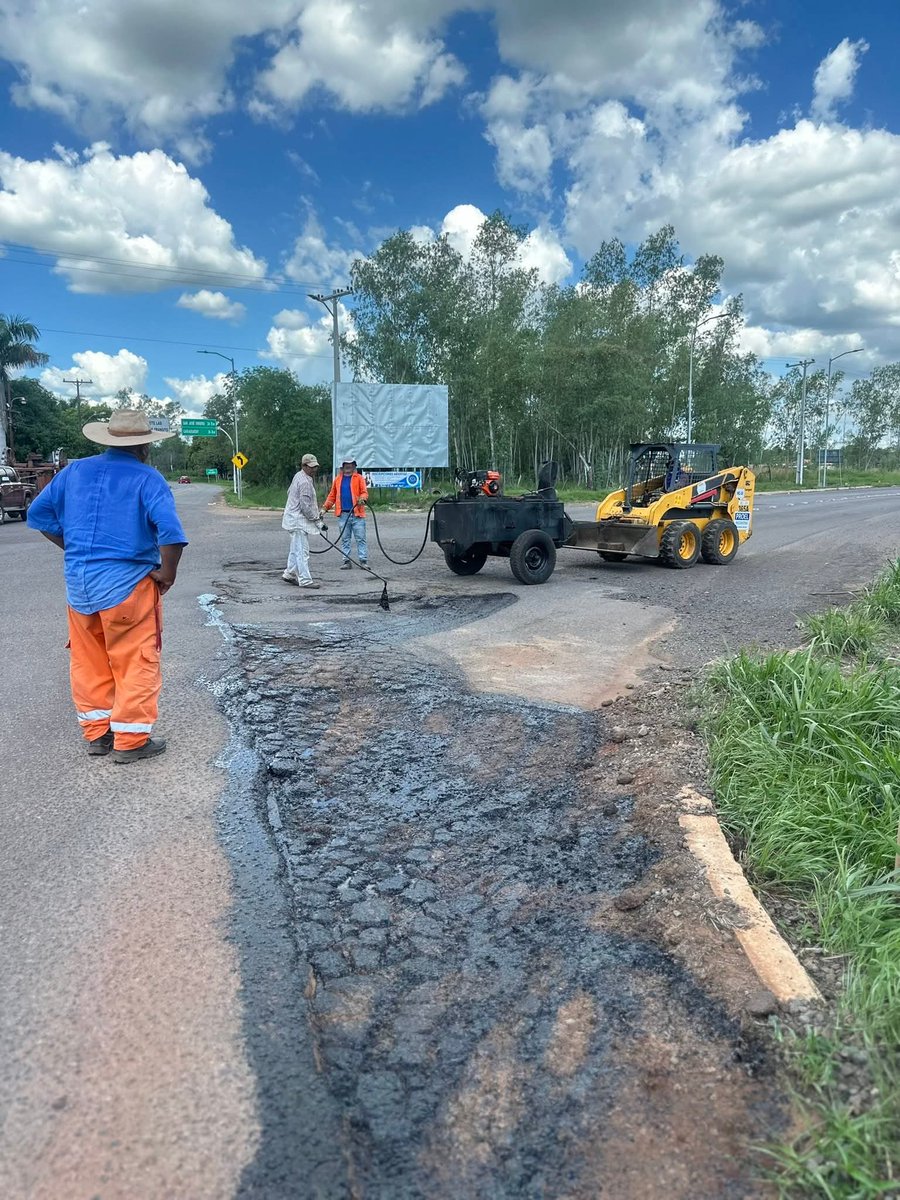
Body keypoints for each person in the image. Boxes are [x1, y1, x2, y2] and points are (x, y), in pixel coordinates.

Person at [26, 409, 188, 764]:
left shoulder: (74, 472)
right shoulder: (148, 478)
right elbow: (171, 535)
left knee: (89, 661)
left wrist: (76, 548)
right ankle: (130, 741)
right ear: (144, 446)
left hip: (79, 587)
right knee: (135, 659)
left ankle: (99, 735)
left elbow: (38, 515)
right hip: (128, 585)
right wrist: (168, 573)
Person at [282, 453, 326, 589]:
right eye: (311, 467)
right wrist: (317, 520)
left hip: (292, 518)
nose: (314, 470)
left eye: (315, 467)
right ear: (304, 466)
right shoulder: (304, 482)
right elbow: (305, 506)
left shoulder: (299, 476)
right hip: (297, 521)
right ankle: (305, 580)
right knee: (302, 551)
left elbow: (290, 493)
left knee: (295, 549)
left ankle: (289, 574)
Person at [322, 457, 369, 570]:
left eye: (351, 464)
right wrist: (324, 508)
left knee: (360, 538)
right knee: (345, 538)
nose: (348, 467)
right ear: (342, 466)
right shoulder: (338, 480)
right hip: (343, 514)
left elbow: (364, 492)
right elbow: (332, 496)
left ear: (354, 466)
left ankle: (363, 561)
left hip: (357, 514)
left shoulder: (359, 478)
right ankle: (346, 561)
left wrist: (362, 499)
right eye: (346, 465)